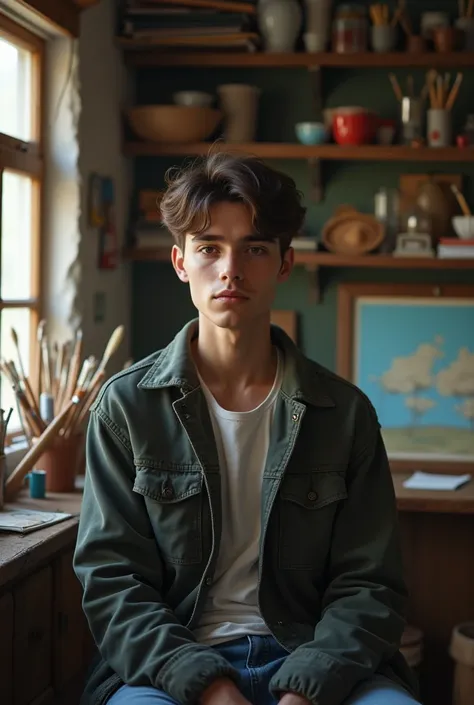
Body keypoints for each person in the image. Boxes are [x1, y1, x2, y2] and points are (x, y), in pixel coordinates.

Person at [73, 152, 421, 705]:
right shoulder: (126, 407)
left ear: (284, 263)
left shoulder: (345, 412)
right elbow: (114, 583)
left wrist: (309, 688)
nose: (230, 269)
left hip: (314, 656)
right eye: (209, 248)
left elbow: (370, 585)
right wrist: (207, 685)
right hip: (171, 665)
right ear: (180, 262)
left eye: (255, 248)